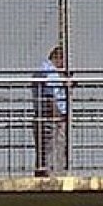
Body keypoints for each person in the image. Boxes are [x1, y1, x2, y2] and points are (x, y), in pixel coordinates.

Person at [33, 46, 69, 176]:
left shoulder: (43, 70)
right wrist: (57, 116)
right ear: (59, 59)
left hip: (42, 115)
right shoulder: (50, 72)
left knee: (43, 150)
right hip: (51, 117)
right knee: (54, 148)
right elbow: (50, 95)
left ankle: (43, 174)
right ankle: (54, 176)